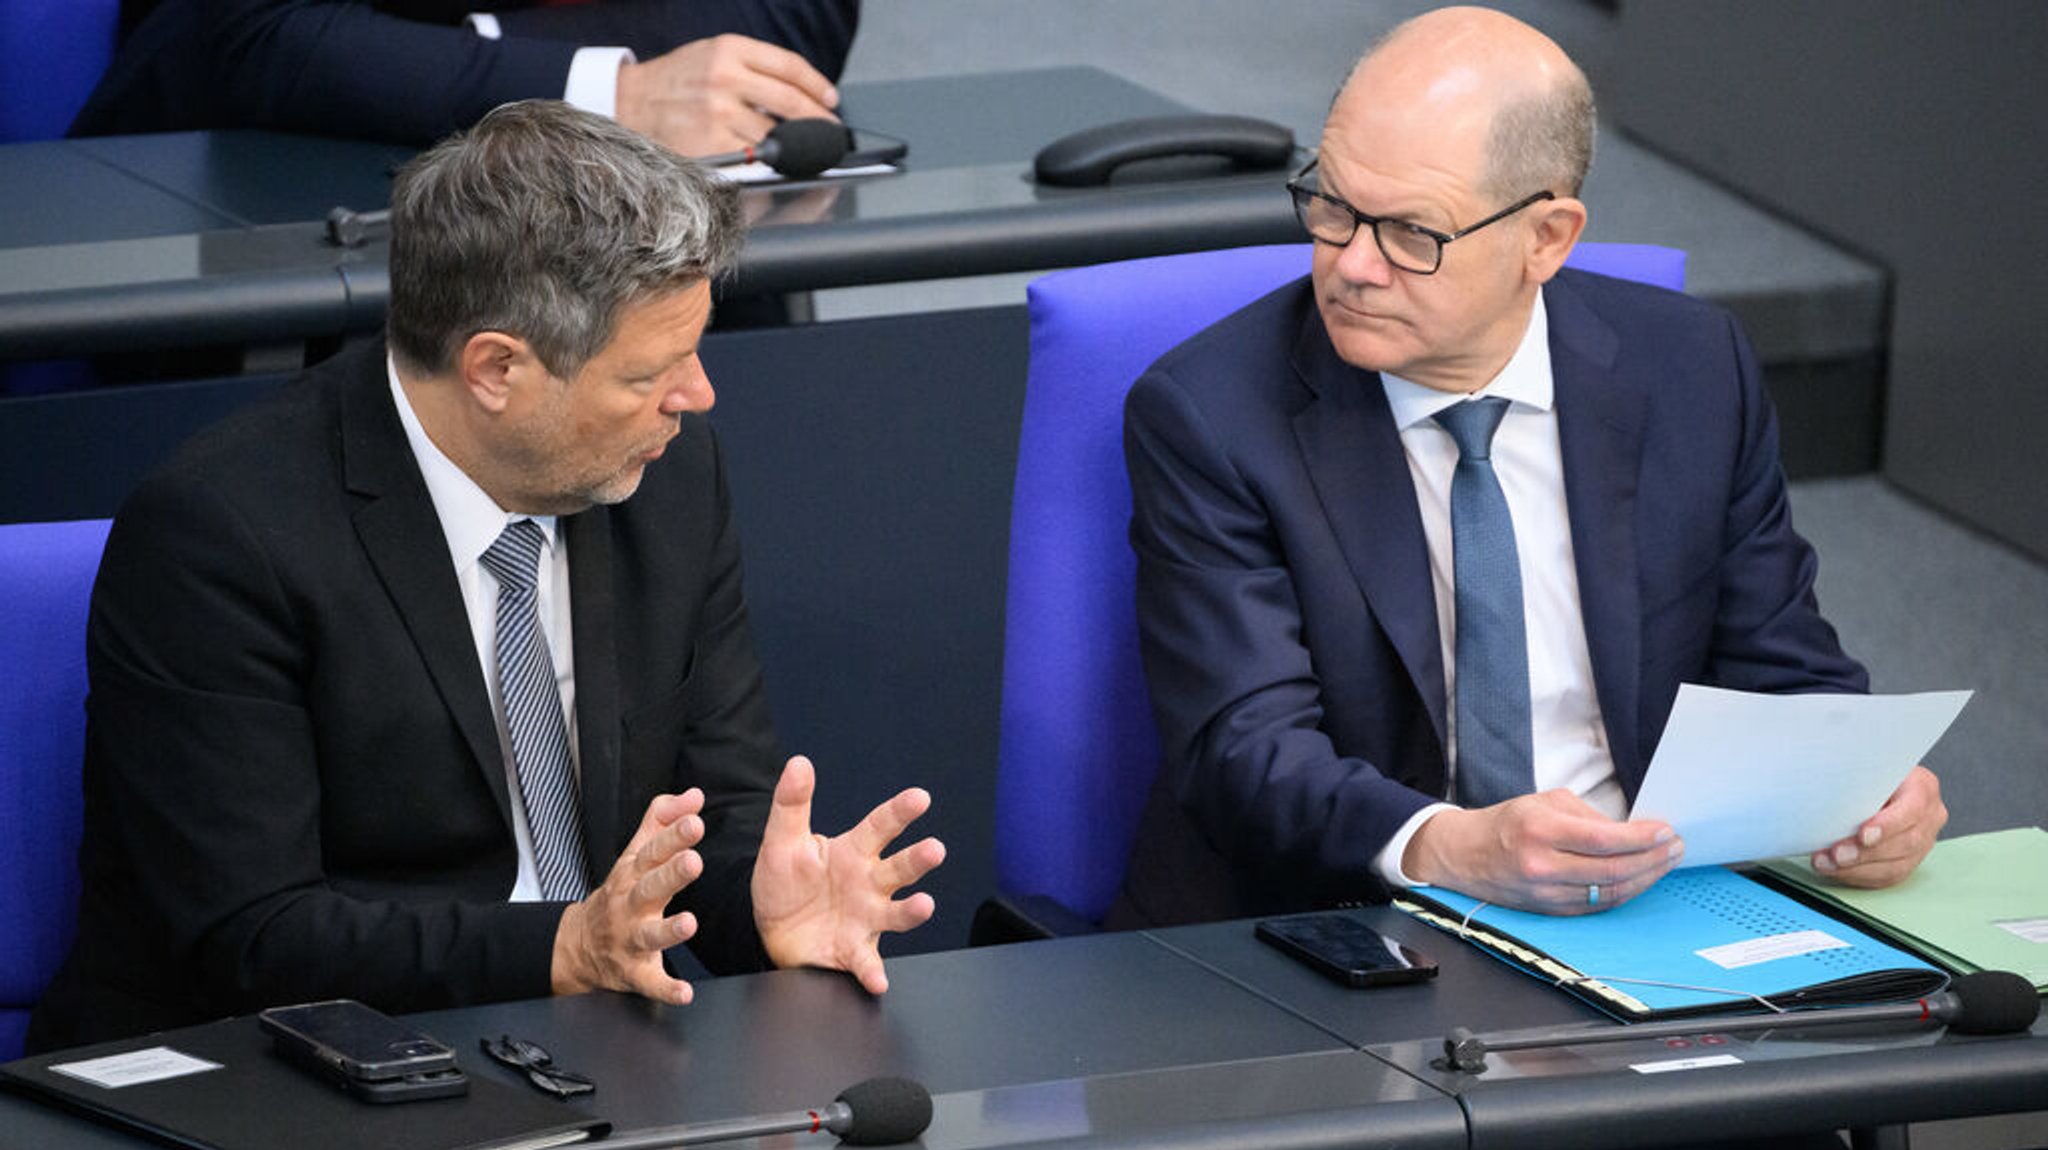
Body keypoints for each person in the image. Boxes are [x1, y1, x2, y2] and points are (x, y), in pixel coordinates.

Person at [27, 99, 944, 1053]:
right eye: (647, 376)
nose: (696, 397)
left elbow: (715, 810)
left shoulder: (670, 479)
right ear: (497, 369)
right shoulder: (222, 537)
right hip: (289, 1067)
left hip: (582, 1053)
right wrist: (563, 947)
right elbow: (254, 937)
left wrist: (760, 901)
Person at [1109, 6, 1945, 928]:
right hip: (1347, 923)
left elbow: (1783, 671)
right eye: (1333, 206)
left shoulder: (1693, 368)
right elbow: (1246, 750)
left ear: (1547, 237)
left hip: (1651, 907)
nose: (1350, 265)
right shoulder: (1213, 414)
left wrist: (1865, 793)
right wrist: (1447, 845)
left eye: (1410, 234)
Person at [70, 0, 858, 155]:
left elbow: (793, 17)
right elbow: (263, 37)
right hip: (279, 187)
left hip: (656, 243)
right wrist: (616, 91)